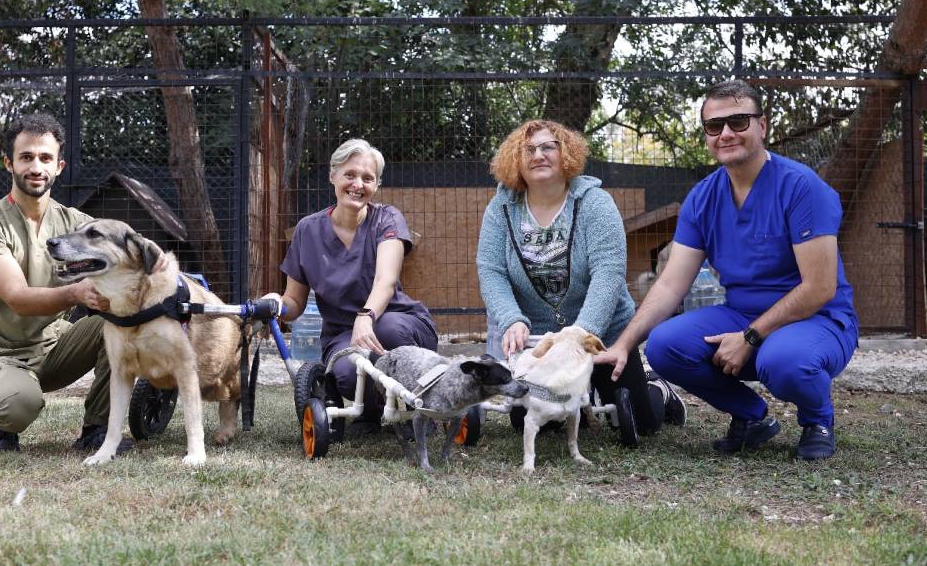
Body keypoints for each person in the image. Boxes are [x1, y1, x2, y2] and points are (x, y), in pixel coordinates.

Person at [595, 79, 858, 460]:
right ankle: (751, 417)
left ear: (762, 125)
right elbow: (670, 285)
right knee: (666, 345)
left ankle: (817, 420)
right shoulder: (703, 196)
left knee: (783, 361)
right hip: (741, 314)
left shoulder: (802, 188)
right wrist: (624, 343)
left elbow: (819, 288)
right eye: (714, 126)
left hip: (817, 319)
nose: (726, 134)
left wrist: (749, 336)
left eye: (738, 121)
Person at [477, 120, 684, 439]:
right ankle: (577, 404)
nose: (538, 155)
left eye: (548, 147)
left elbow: (609, 272)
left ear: (566, 155)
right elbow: (491, 270)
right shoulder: (501, 208)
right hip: (540, 341)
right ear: (516, 160)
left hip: (599, 334)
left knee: (642, 424)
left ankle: (658, 390)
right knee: (530, 424)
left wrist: (581, 334)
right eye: (528, 150)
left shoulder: (595, 203)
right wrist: (511, 320)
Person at [0, 113, 127, 454]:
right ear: (9, 163)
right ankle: (0, 420)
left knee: (121, 326)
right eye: (26, 157)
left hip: (55, 348)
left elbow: (126, 254)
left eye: (45, 158)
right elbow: (18, 298)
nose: (36, 166)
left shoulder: (76, 224)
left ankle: (97, 431)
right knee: (19, 404)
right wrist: (78, 292)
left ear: (59, 166)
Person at [263, 139, 438, 434]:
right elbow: (294, 301)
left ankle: (415, 407)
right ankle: (372, 412)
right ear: (332, 176)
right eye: (350, 174)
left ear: (376, 185)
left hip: (399, 321)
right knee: (347, 371)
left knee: (388, 330)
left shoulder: (387, 219)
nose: (358, 184)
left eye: (368, 178)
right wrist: (275, 306)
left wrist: (366, 317)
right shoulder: (307, 230)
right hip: (342, 335)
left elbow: (386, 279)